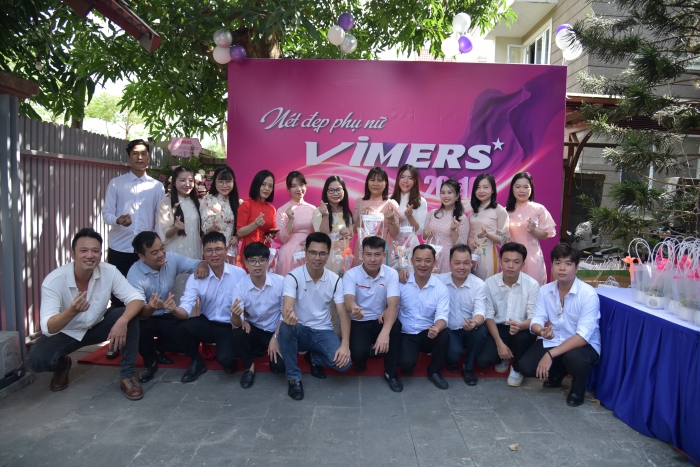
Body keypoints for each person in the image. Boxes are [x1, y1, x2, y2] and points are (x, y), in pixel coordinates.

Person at [26, 228, 145, 400]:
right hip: (66, 332)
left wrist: (123, 321)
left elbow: (136, 298)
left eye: (95, 251)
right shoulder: (54, 281)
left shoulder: (109, 271)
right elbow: (48, 327)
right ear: (73, 254)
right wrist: (72, 311)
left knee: (129, 315)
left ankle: (127, 376)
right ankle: (62, 365)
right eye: (83, 250)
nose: (90, 255)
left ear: (100, 254)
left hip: (97, 325)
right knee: (36, 361)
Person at [519, 244, 601, 407]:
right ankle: (558, 374)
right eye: (558, 263)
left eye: (568, 264)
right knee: (525, 367)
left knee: (574, 358)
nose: (562, 268)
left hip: (583, 345)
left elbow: (583, 336)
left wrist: (550, 355)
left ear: (576, 267)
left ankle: (578, 389)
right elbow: (537, 320)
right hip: (555, 339)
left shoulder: (588, 294)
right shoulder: (545, 290)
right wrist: (541, 331)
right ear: (552, 265)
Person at [126, 231, 209, 383]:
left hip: (169, 314)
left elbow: (197, 264)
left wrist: (202, 266)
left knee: (190, 338)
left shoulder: (171, 258)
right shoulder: (134, 274)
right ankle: (149, 363)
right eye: (154, 252)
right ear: (142, 256)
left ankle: (158, 347)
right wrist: (151, 307)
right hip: (148, 318)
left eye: (162, 248)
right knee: (140, 327)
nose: (161, 254)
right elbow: (140, 312)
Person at [278, 232, 352, 401]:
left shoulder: (335, 280)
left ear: (328, 254)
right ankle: (294, 378)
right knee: (286, 327)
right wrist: (289, 314)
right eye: (313, 252)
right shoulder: (293, 277)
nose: (317, 258)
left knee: (344, 364)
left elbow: (343, 313)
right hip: (300, 330)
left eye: (322, 253)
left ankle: (314, 357)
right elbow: (287, 306)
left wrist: (345, 345)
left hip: (323, 331)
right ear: (306, 252)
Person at [169, 232, 247, 383]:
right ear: (203, 253)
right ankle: (196, 361)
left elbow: (247, 303)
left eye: (218, 249)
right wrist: (174, 309)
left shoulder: (239, 274)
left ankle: (230, 356)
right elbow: (185, 309)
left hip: (230, 325)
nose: (214, 254)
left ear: (226, 250)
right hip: (207, 323)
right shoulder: (196, 277)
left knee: (227, 361)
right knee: (179, 327)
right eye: (209, 250)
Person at [102, 139, 165, 309]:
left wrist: (157, 245)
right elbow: (106, 213)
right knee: (118, 294)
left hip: (146, 250)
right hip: (119, 247)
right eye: (135, 153)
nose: (140, 157)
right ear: (128, 157)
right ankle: (119, 324)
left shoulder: (157, 186)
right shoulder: (116, 183)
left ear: (149, 157)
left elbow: (160, 219)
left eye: (143, 153)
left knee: (146, 292)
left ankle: (142, 325)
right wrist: (118, 220)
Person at [476, 242, 539, 387]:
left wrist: (521, 326)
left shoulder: (532, 285)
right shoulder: (490, 283)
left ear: (523, 264)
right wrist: (499, 343)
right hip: (499, 328)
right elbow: (489, 316)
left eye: (516, 262)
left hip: (522, 328)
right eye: (507, 260)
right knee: (483, 361)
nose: (511, 266)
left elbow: (534, 317)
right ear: (500, 261)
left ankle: (516, 368)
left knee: (522, 338)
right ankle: (504, 354)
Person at [343, 236, 402, 392]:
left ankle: (391, 373)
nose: (373, 259)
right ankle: (363, 357)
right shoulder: (351, 274)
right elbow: (348, 300)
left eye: (377, 254)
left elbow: (393, 304)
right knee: (357, 354)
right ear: (362, 254)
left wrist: (385, 333)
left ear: (384, 255)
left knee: (395, 326)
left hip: (380, 318)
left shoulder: (391, 274)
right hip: (359, 320)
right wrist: (353, 308)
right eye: (368, 254)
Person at [229, 242, 286, 389]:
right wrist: (237, 316)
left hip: (276, 329)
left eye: (261, 260)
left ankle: (271, 354)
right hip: (254, 329)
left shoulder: (280, 282)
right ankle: (249, 367)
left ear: (268, 262)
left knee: (280, 367)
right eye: (253, 260)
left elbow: (285, 313)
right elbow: (236, 322)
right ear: (246, 263)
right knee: (238, 332)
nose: (257, 265)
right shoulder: (240, 287)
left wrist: (275, 337)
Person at [397, 244, 450, 389]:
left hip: (427, 332)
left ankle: (434, 371)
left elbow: (442, 315)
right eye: (418, 260)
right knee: (406, 367)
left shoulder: (440, 288)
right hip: (406, 333)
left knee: (443, 335)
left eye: (427, 260)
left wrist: (437, 329)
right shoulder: (401, 282)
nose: (423, 265)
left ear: (435, 262)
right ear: (412, 261)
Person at [435, 244, 487, 386]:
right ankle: (451, 360)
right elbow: (420, 275)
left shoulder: (479, 285)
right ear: (449, 263)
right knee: (454, 353)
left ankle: (468, 368)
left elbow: (480, 312)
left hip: (468, 328)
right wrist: (404, 272)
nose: (462, 267)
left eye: (466, 263)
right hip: (449, 330)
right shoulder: (439, 280)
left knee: (481, 332)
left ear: (472, 264)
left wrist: (474, 323)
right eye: (457, 263)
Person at [156, 166, 202, 302]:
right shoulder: (165, 203)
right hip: (174, 252)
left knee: (192, 289)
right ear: (174, 182)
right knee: (175, 290)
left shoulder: (197, 203)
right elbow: (164, 234)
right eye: (182, 180)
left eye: (190, 180)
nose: (187, 184)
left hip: (193, 252)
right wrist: (175, 228)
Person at [505, 172, 556, 285]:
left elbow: (546, 234)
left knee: (533, 288)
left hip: (532, 257)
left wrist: (533, 230)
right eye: (518, 187)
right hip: (511, 258)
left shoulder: (538, 209)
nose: (522, 190)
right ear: (512, 188)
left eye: (526, 187)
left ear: (531, 188)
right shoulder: (505, 211)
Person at [352, 167, 400, 266]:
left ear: (385, 183)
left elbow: (395, 234)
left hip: (381, 251)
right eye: (372, 180)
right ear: (367, 182)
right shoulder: (359, 202)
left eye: (380, 180)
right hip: (362, 250)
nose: (375, 184)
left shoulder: (391, 204)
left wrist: (391, 219)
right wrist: (362, 218)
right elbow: (355, 230)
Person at [467, 174, 510, 281]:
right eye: (478, 187)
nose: (481, 191)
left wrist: (487, 235)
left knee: (487, 285)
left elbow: (504, 239)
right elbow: (470, 233)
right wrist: (470, 241)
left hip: (488, 256)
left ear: (492, 190)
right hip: (472, 254)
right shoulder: (473, 211)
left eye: (485, 187)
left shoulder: (499, 210)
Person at [423, 178, 470, 273]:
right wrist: (426, 231)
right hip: (430, 257)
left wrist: (453, 231)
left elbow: (461, 246)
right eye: (443, 193)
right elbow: (424, 237)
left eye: (450, 192)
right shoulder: (432, 213)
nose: (446, 196)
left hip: (448, 260)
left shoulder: (462, 218)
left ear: (457, 195)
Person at [277, 171, 316, 276]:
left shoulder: (313, 209)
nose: (299, 189)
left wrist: (310, 238)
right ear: (288, 189)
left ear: (305, 186)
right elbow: (283, 238)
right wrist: (290, 219)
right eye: (294, 186)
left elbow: (319, 234)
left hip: (309, 253)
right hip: (288, 255)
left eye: (301, 184)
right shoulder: (282, 210)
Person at [236, 170, 278, 270]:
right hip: (250, 251)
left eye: (270, 186)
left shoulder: (271, 209)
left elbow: (272, 231)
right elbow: (239, 232)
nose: (267, 188)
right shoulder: (246, 205)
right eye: (263, 184)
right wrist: (255, 224)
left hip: (265, 251)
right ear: (257, 184)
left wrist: (272, 234)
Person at [312, 175, 354, 274]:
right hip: (325, 258)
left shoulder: (347, 213)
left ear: (344, 192)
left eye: (338, 190)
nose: (335, 193)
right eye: (331, 190)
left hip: (343, 259)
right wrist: (325, 215)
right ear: (326, 193)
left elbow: (350, 236)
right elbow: (322, 236)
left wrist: (349, 232)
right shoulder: (318, 212)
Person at [389, 164, 427, 270]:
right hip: (392, 244)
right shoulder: (389, 200)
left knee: (409, 275)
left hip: (410, 245)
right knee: (391, 275)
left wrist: (410, 217)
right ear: (398, 179)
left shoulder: (421, 202)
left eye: (410, 178)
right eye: (402, 177)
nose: (405, 181)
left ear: (415, 181)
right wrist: (395, 220)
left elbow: (419, 231)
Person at [200, 166, 239, 254]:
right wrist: (212, 228)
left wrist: (237, 237)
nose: (224, 185)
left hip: (230, 250)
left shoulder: (236, 202)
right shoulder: (208, 200)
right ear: (215, 183)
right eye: (221, 181)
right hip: (213, 249)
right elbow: (205, 227)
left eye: (228, 181)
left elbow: (238, 228)